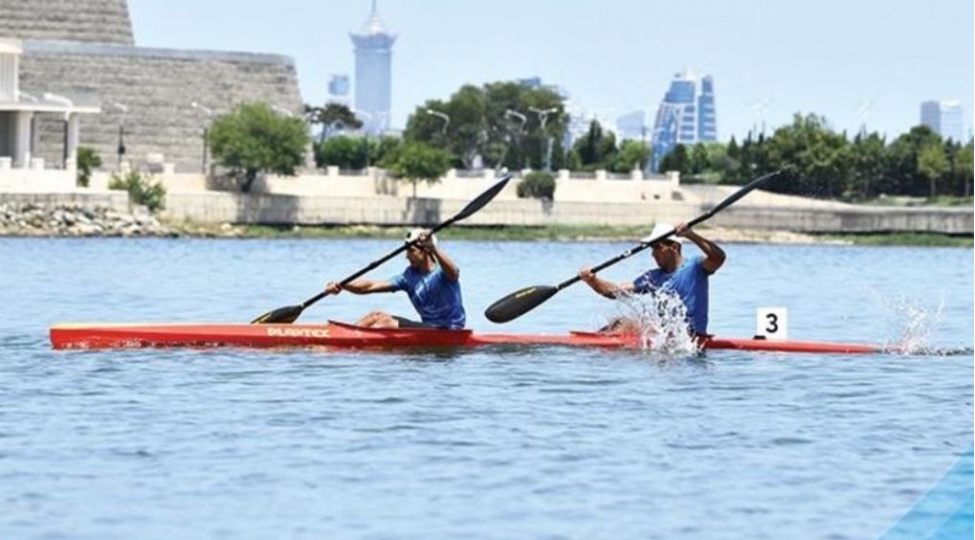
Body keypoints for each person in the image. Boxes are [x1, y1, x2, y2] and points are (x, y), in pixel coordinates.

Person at [577, 221, 726, 338]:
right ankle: (595, 344)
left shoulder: (695, 267)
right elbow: (615, 292)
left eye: (657, 247)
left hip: (691, 338)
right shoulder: (653, 277)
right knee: (620, 323)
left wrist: (691, 235)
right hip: (665, 339)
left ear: (674, 247)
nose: (653, 254)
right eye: (651, 248)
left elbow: (719, 257)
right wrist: (592, 280)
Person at [324, 228, 466, 329]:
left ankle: (352, 342)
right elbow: (370, 286)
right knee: (376, 316)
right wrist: (342, 285)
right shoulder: (409, 277)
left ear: (426, 251)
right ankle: (346, 338)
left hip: (450, 330)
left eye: (411, 251)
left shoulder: (443, 272)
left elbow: (454, 272)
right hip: (428, 329)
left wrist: (433, 247)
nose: (407, 256)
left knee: (385, 323)